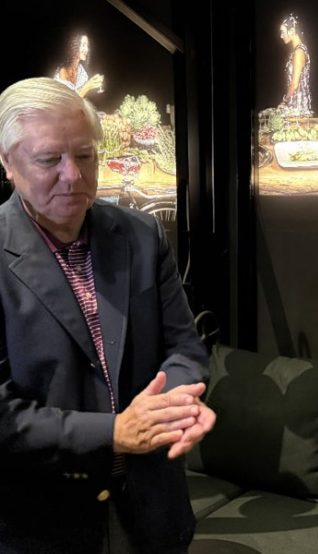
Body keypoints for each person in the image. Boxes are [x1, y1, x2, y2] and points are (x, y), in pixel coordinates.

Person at [0, 77, 215, 552]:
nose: (73, 175)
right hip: (43, 522)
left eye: (85, 155)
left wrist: (174, 407)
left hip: (152, 510)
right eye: (49, 159)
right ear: (7, 162)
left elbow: (184, 348)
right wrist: (114, 432)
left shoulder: (141, 235)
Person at [279, 14, 311, 117]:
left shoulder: (298, 52)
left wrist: (284, 101)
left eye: (283, 32)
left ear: (292, 31)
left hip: (298, 107)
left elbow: (294, 84)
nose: (281, 36)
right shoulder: (297, 51)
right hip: (295, 105)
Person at [54, 33, 105, 99]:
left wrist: (92, 85)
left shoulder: (82, 72)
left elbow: (80, 96)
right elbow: (67, 101)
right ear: (74, 46)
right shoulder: (63, 71)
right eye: (83, 45)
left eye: (87, 46)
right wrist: (88, 86)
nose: (87, 49)